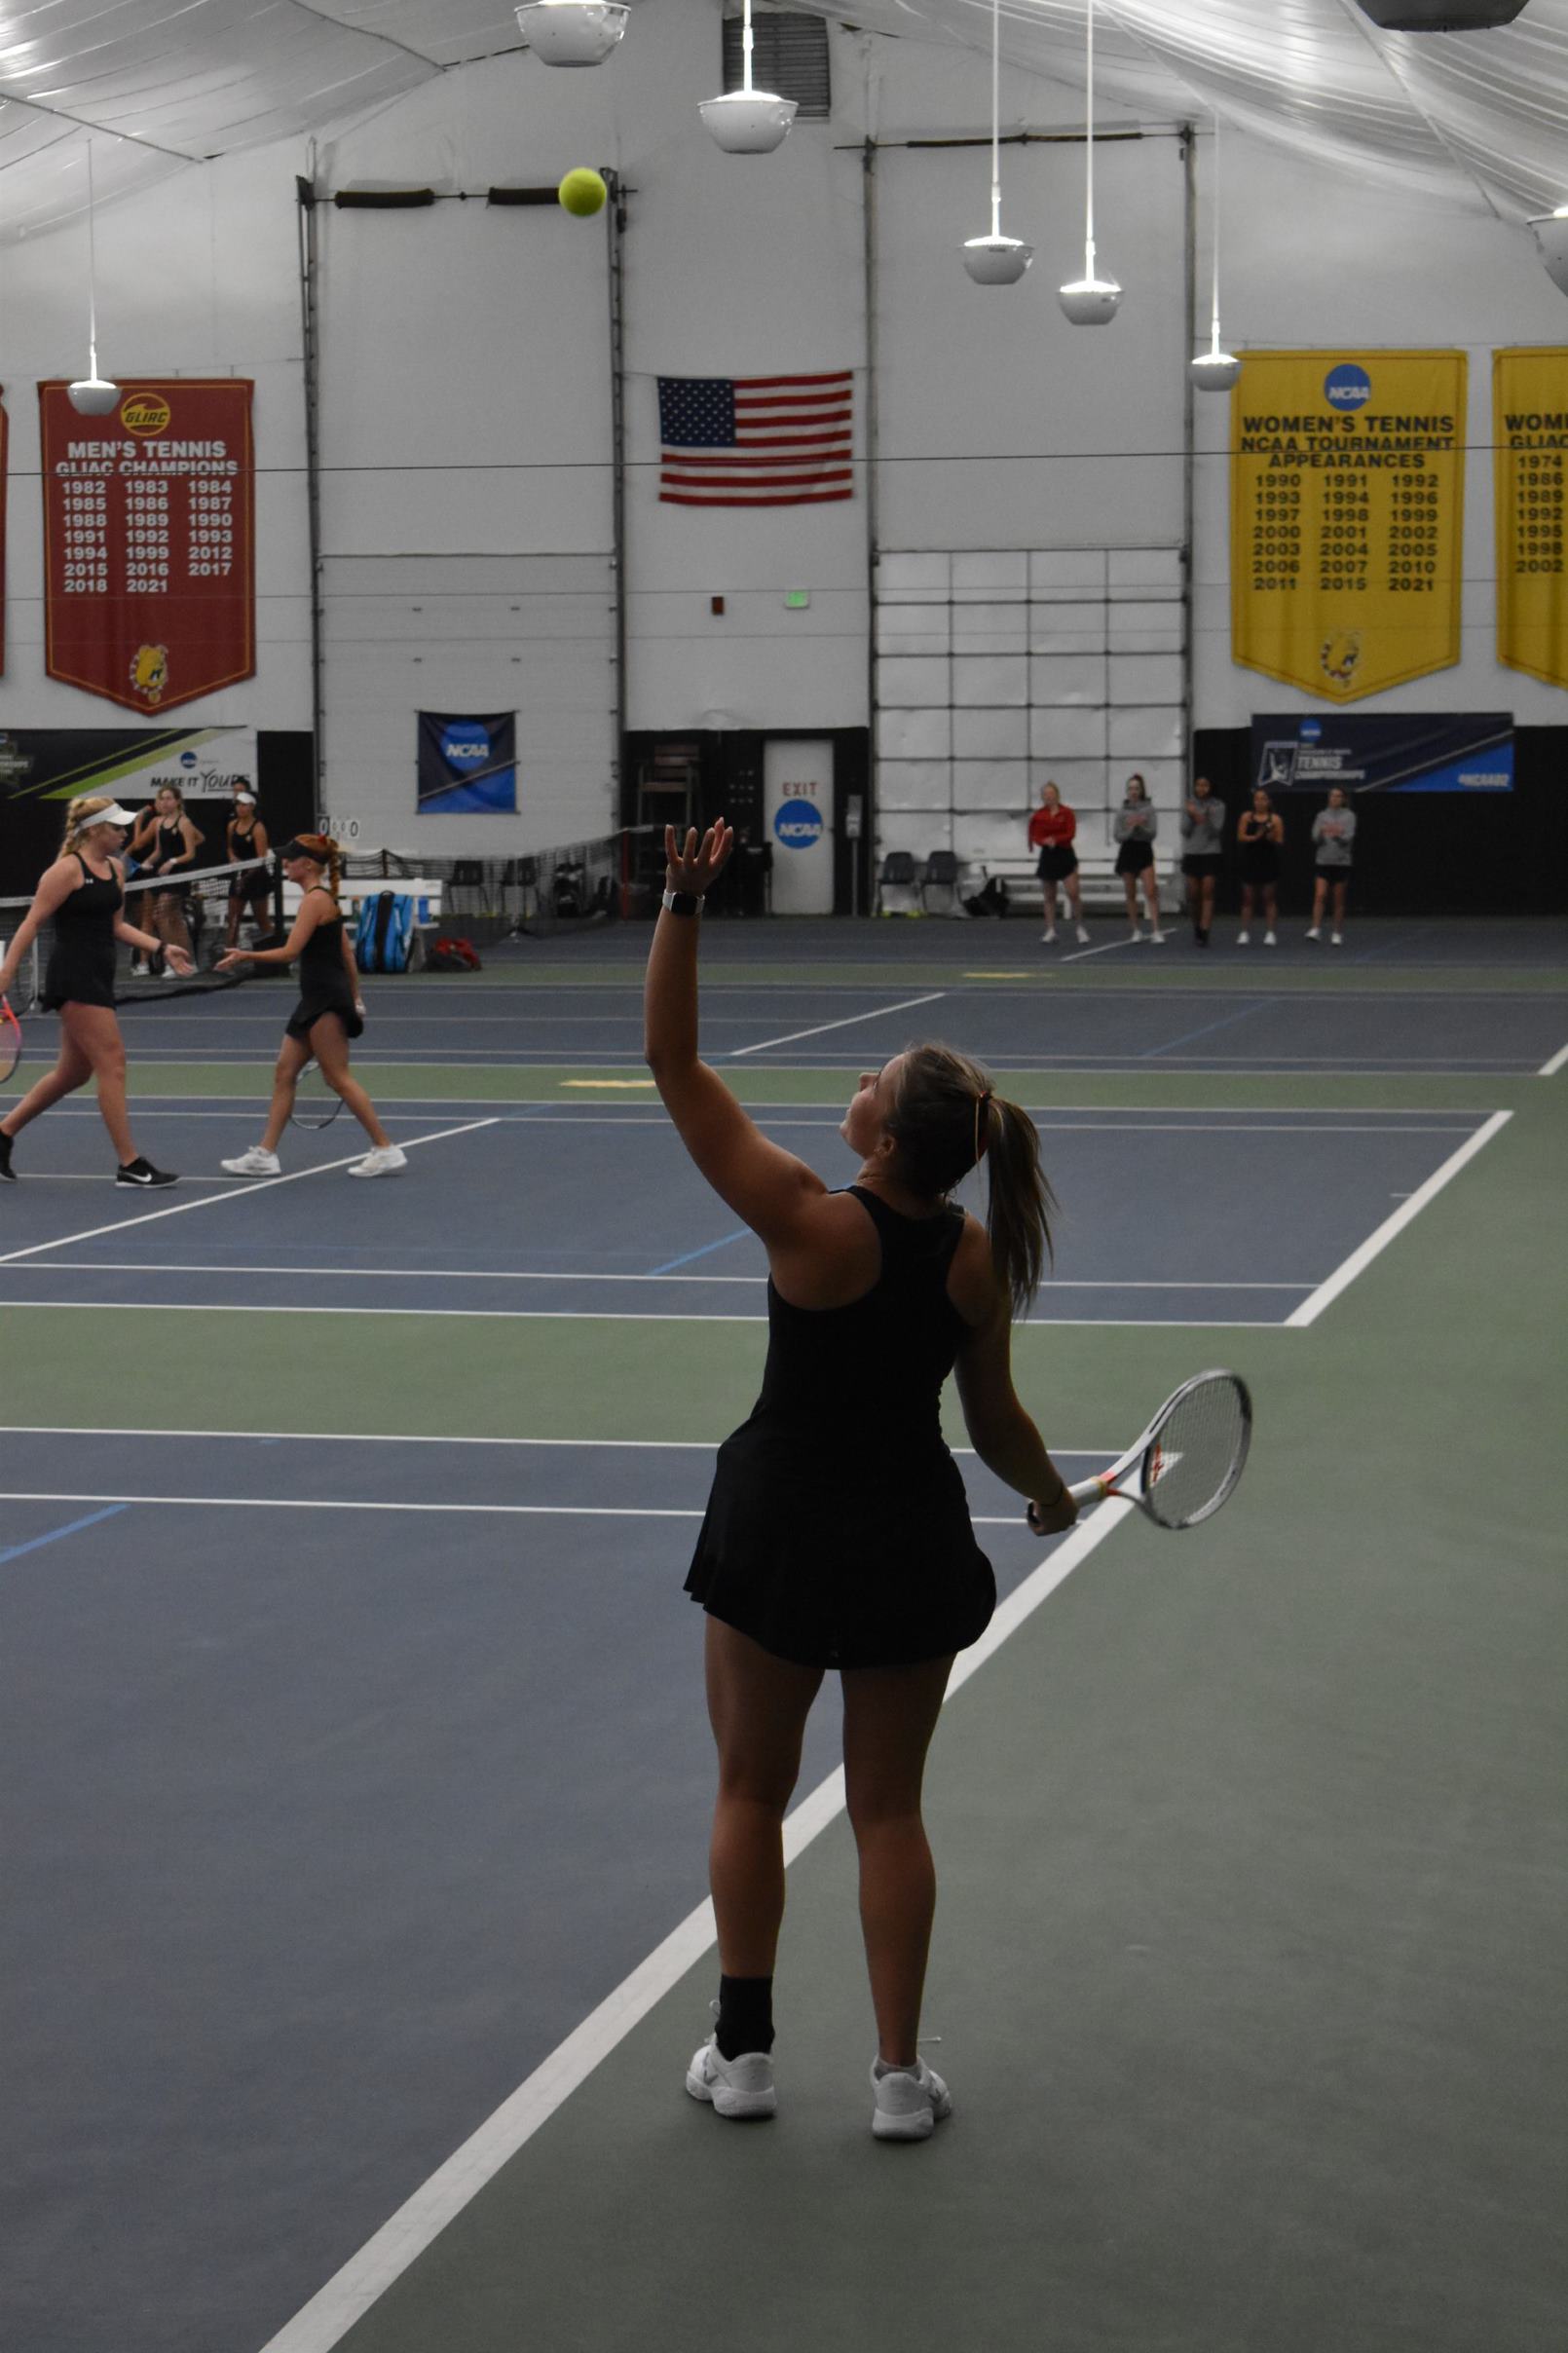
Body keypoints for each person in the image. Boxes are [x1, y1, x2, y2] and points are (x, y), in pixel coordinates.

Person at [646, 819, 1078, 2142]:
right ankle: (896, 2079)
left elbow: (672, 1063)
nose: (854, 1082)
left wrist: (680, 904)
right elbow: (993, 1422)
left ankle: (744, 2056)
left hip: (777, 1528)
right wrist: (1051, 1495)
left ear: (883, 1132)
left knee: (747, 1791)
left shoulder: (809, 1220)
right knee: (888, 1810)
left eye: (869, 1079)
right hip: (905, 1536)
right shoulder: (973, 1258)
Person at [0, 796, 189, 1186]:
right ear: (94, 830)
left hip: (101, 975)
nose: (124, 834)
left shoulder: (116, 869)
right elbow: (30, 924)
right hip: (74, 976)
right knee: (113, 1063)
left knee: (72, 1074)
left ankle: (2, 1134)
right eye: (117, 828)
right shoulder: (65, 871)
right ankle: (130, 1164)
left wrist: (161, 947)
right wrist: (6, 972)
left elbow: (117, 926)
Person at [215, 834, 405, 1179]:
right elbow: (346, 954)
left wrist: (245, 955)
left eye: (291, 858)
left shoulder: (315, 901)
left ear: (308, 865)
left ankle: (385, 1148)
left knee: (338, 1078)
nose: (286, 863)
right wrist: (356, 996)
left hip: (325, 1001)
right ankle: (265, 1155)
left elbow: (289, 953)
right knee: (284, 1073)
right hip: (316, 999)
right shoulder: (322, 899)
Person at [127, 783, 204, 978]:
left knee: (161, 915)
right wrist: (147, 862)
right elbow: (159, 851)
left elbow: (190, 853)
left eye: (169, 798)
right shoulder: (159, 822)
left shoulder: (184, 822)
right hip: (159, 876)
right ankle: (189, 963)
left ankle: (172, 962)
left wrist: (172, 861)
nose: (165, 802)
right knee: (173, 919)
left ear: (177, 801)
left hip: (178, 875)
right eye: (162, 798)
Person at [1027, 781, 1090, 946]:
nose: (1049, 797)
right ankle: (1050, 930)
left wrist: (1056, 839)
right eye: (1046, 794)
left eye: (1051, 793)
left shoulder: (1067, 813)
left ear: (1057, 795)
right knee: (1049, 896)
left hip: (1065, 854)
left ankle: (1080, 927)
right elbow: (1035, 836)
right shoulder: (1039, 815)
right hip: (1048, 856)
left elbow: (1071, 833)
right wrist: (1045, 841)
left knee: (1073, 892)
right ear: (1042, 797)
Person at [1113, 774, 1164, 943]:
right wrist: (1130, 830)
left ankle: (1156, 930)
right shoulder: (1122, 812)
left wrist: (1140, 827)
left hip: (1144, 850)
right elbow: (1118, 836)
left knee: (1151, 891)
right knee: (1130, 893)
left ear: (1141, 790)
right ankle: (1135, 930)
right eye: (1130, 789)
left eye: (1136, 788)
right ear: (1127, 791)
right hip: (1128, 851)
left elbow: (1152, 833)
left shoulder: (1149, 809)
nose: (1133, 791)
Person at [1179, 773, 1225, 948]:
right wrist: (1192, 816)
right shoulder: (1189, 804)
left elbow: (1216, 830)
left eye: (1205, 785)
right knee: (1193, 894)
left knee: (1207, 891)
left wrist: (1205, 817)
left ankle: (1205, 930)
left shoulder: (1218, 805)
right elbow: (1184, 830)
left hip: (1210, 852)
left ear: (1210, 787)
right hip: (1192, 852)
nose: (1201, 788)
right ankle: (1196, 926)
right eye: (1198, 785)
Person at [224, 788, 274, 951]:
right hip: (238, 876)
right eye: (238, 804)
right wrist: (233, 858)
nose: (240, 808)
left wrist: (245, 876)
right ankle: (230, 955)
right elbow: (230, 848)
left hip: (257, 878)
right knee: (233, 919)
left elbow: (261, 858)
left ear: (252, 806)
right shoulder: (232, 826)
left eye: (244, 805)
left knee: (262, 920)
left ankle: (274, 953)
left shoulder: (258, 828)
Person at [1307, 787, 1356, 945]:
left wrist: (1337, 835)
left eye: (1338, 796)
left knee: (1338, 900)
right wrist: (1321, 834)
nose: (1335, 799)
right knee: (1320, 895)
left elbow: (1348, 838)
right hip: (1323, 862)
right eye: (1332, 796)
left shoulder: (1349, 816)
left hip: (1341, 863)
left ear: (1343, 799)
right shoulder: (1321, 816)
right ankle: (1315, 929)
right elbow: (1315, 838)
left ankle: (1336, 933)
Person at [1237, 787, 1284, 946]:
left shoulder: (1275, 819)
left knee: (1269, 898)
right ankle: (1244, 932)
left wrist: (1271, 837)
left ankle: (1270, 933)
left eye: (1263, 799)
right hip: (1250, 860)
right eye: (1257, 799)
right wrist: (1255, 837)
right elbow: (1241, 837)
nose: (1260, 802)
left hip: (1268, 861)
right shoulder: (1246, 817)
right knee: (1248, 899)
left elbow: (1280, 841)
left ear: (1269, 801)